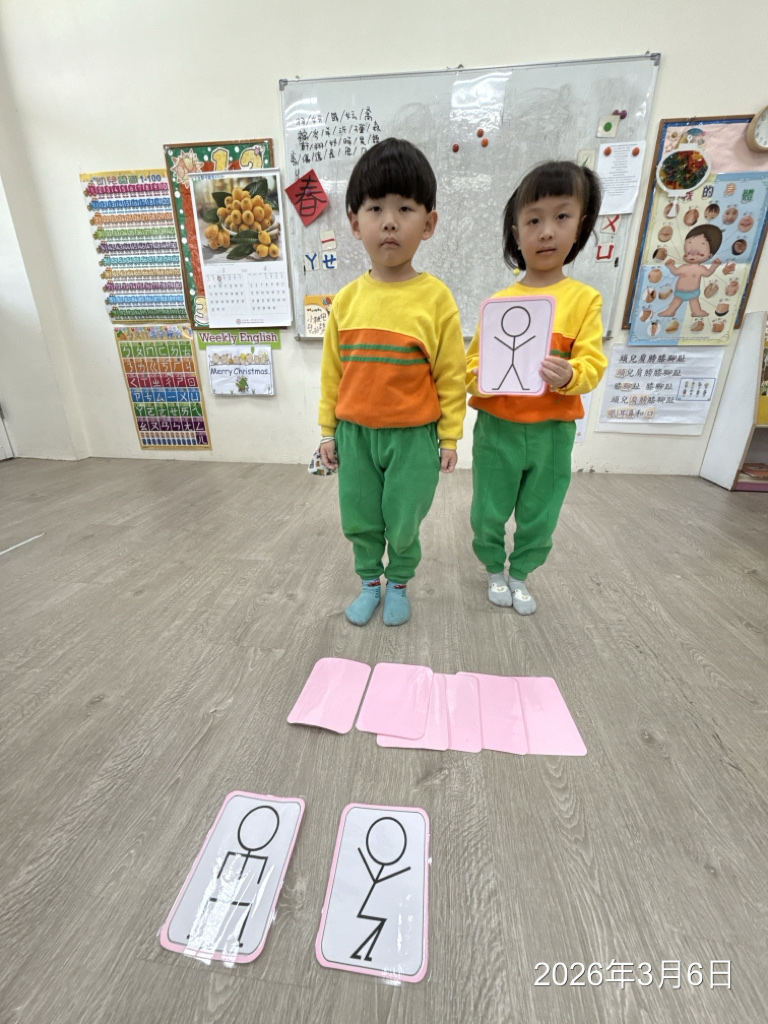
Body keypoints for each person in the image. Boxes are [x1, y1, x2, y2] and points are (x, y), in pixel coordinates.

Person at [318, 138, 466, 627]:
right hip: (355, 435)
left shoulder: (436, 299)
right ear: (354, 221)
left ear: (429, 223)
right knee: (360, 517)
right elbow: (333, 372)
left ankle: (398, 582)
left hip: (413, 440)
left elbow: (451, 374)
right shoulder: (346, 300)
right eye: (375, 208)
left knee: (404, 519)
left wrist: (449, 436)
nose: (389, 222)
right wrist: (327, 431)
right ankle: (369, 583)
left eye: (405, 208)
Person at [466, 161, 606, 615]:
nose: (547, 231)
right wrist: (479, 377)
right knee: (488, 509)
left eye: (562, 216)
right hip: (497, 427)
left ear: (580, 227)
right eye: (533, 220)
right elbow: (469, 365)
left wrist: (571, 376)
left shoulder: (585, 300)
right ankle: (493, 568)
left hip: (552, 431)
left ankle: (521, 574)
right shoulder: (497, 304)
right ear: (516, 232)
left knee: (541, 511)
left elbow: (593, 364)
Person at [658, 224, 722, 318]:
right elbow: (676, 272)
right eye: (689, 253)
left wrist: (714, 266)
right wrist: (671, 266)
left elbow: (708, 273)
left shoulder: (700, 269)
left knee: (695, 303)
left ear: (709, 256)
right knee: (675, 303)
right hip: (680, 292)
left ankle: (697, 312)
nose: (692, 256)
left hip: (693, 293)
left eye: (699, 254)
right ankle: (670, 311)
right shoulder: (684, 267)